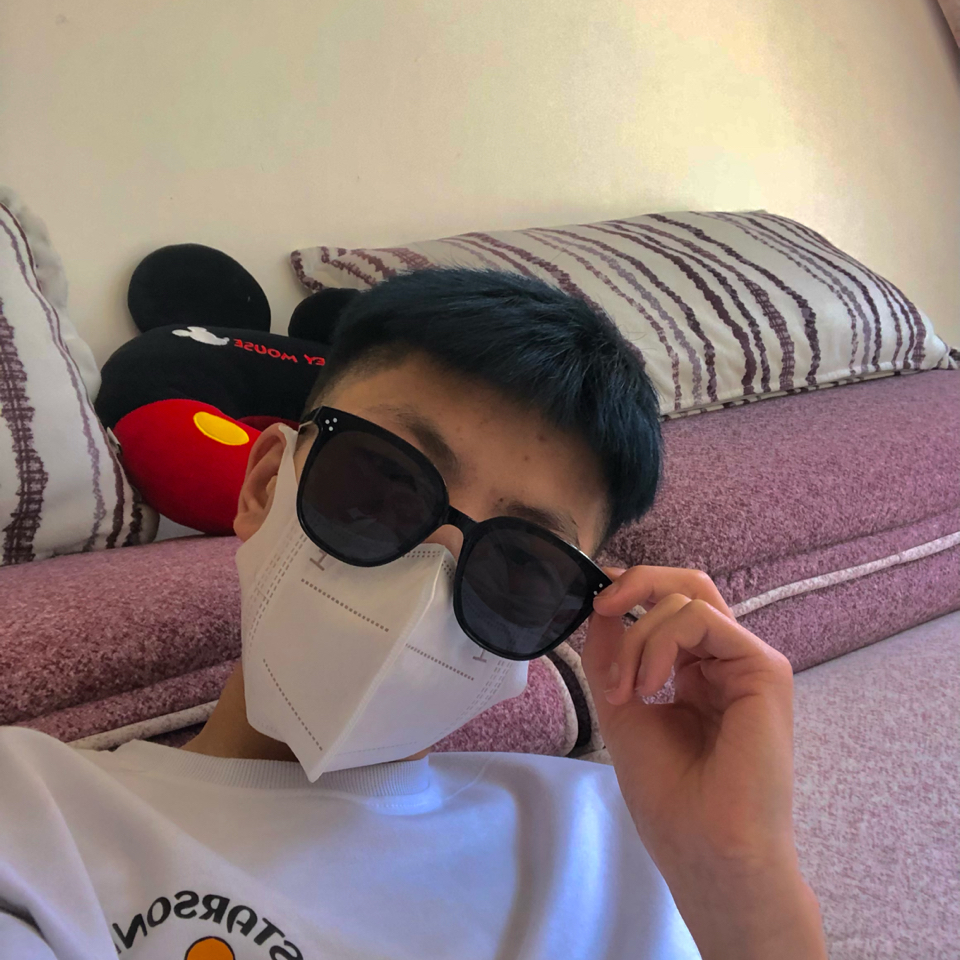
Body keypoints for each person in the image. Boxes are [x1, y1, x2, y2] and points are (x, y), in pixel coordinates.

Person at [0, 268, 827, 959]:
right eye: (380, 484)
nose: (430, 575)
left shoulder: (620, 837)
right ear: (266, 485)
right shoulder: (34, 813)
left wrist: (741, 876)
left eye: (519, 562)